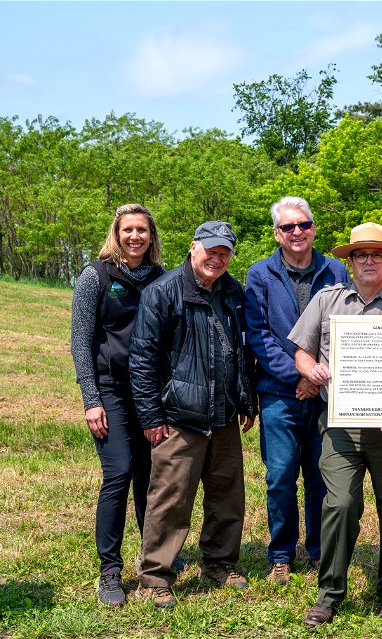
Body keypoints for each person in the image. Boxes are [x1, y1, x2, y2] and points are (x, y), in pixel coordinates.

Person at [289, 222, 382, 627]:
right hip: (340, 424)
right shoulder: (327, 301)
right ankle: (329, 593)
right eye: (360, 254)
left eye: (376, 254)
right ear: (350, 261)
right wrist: (312, 371)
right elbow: (301, 353)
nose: (368, 261)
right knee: (340, 503)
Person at [130, 221, 256, 609]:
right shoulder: (163, 292)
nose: (217, 258)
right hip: (178, 416)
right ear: (193, 247)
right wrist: (152, 417)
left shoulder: (234, 292)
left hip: (224, 413)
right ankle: (154, 577)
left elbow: (243, 349)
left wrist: (246, 399)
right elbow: (142, 359)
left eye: (224, 252)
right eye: (211, 250)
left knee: (227, 494)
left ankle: (219, 562)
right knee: (171, 498)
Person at [245, 196, 350, 585]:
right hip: (279, 393)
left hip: (326, 393)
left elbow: (346, 328)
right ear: (277, 233)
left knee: (321, 475)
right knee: (280, 475)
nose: (297, 232)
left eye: (303, 225)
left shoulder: (336, 269)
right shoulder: (259, 274)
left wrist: (317, 378)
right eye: (288, 227)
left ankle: (320, 550)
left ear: (313, 228)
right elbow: (259, 337)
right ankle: (281, 555)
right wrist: (298, 376)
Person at [71, 203, 165, 606]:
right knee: (120, 472)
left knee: (149, 476)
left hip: (151, 393)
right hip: (110, 389)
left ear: (151, 236)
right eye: (128, 230)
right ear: (117, 232)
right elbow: (80, 341)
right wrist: (92, 400)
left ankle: (153, 559)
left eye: (142, 230)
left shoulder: (164, 279)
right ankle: (110, 570)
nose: (135, 237)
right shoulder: (95, 276)